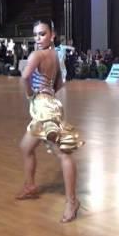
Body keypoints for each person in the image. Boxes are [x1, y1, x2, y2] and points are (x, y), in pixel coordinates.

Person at [16, 19, 84, 223]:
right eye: (36, 34)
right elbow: (60, 83)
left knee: (63, 154)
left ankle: (72, 202)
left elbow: (25, 77)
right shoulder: (55, 55)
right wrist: (47, 92)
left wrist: (31, 94)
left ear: (52, 35)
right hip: (47, 105)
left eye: (42, 34)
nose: (38, 38)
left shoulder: (37, 54)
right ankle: (30, 187)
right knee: (25, 147)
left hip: (44, 108)